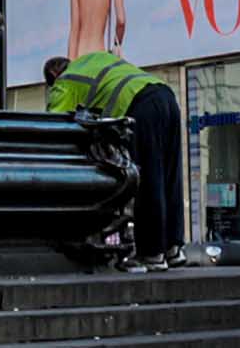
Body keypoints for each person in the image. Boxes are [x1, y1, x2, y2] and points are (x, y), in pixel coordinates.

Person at [47, 52, 185, 272]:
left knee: (148, 179)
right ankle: (172, 248)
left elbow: (54, 129)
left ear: (54, 76)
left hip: (141, 106)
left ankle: (151, 254)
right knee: (170, 174)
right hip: (165, 95)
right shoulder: (93, 60)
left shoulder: (64, 82)